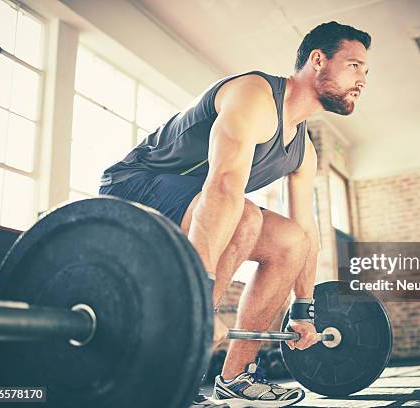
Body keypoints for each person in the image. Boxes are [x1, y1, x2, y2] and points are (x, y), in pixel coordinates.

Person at [99, 21, 370, 408]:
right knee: (244, 215)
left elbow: (307, 232)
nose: (362, 79)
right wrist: (197, 304)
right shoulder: (254, 95)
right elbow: (224, 184)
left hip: (196, 203)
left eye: (366, 70)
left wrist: (304, 310)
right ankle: (179, 355)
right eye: (354, 65)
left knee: (290, 241)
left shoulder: (303, 151)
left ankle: (237, 377)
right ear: (317, 60)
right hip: (131, 188)